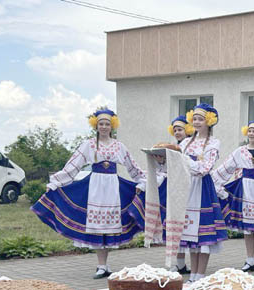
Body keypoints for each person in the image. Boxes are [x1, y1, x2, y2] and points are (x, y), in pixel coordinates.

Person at [32, 107, 147, 278]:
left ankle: (105, 265)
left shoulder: (119, 146)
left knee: (109, 227)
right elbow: (73, 165)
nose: (104, 127)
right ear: (96, 125)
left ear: (112, 126)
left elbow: (132, 167)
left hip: (113, 188)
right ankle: (101, 266)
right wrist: (56, 182)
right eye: (101, 124)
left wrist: (144, 181)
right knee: (97, 227)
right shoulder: (89, 144)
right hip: (95, 187)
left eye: (107, 124)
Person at [212, 120, 254, 272]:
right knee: (248, 226)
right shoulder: (241, 151)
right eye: (249, 130)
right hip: (246, 188)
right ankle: (249, 259)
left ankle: (252, 259)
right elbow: (227, 166)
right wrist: (212, 180)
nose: (251, 134)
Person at [180, 103, 228, 282]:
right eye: (194, 119)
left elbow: (205, 168)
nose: (197, 122)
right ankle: (192, 274)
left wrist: (185, 161)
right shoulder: (185, 142)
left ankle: (200, 275)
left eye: (200, 119)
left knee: (203, 233)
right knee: (191, 233)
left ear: (209, 121)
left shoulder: (214, 143)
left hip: (202, 189)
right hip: (187, 188)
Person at [164, 116, 193, 274]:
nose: (177, 132)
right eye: (175, 130)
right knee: (176, 226)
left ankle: (189, 264)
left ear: (187, 130)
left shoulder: (190, 147)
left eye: (180, 129)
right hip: (175, 188)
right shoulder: (173, 147)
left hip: (188, 189)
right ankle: (180, 263)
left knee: (186, 226)